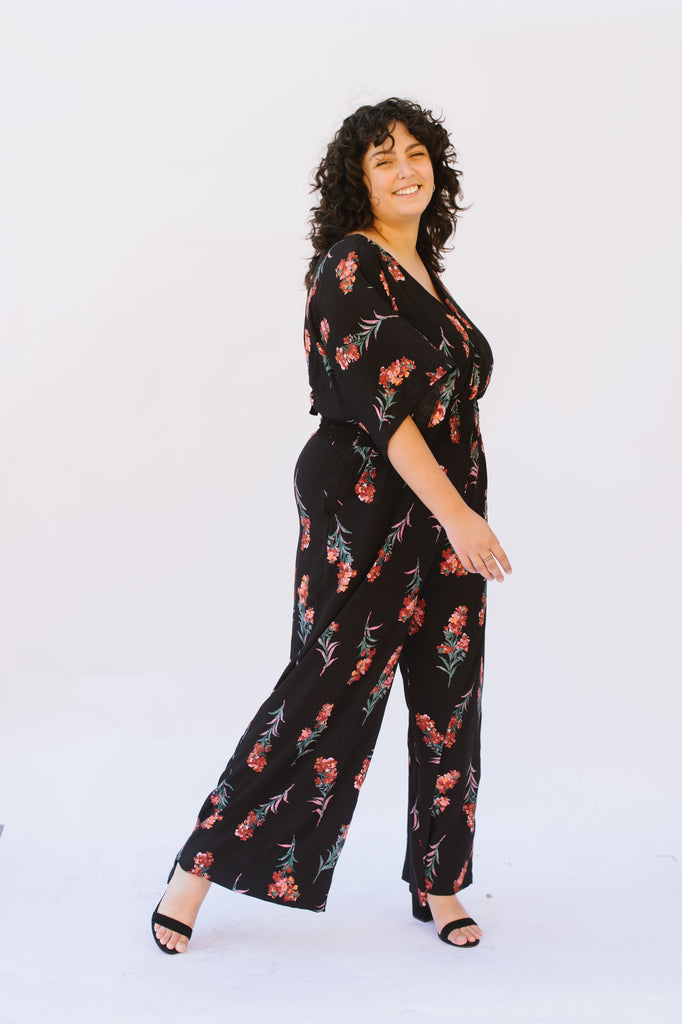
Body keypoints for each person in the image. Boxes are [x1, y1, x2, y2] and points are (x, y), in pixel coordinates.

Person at [151, 97, 511, 954]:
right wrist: (457, 512)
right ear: (357, 182)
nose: (405, 170)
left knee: (448, 699)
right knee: (321, 692)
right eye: (383, 159)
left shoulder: (423, 271)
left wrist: (458, 512)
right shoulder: (350, 265)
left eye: (416, 153)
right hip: (372, 510)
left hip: (445, 512)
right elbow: (386, 413)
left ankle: (441, 882)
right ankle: (196, 869)